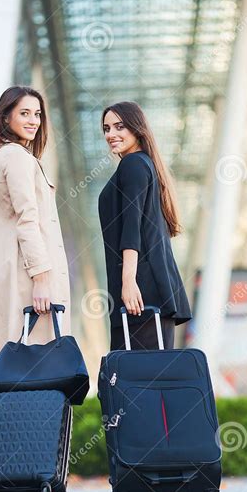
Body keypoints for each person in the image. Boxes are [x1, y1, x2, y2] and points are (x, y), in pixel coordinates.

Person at [0, 86, 70, 360]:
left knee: (12, 375)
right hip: (26, 283)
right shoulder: (16, 157)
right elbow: (28, 220)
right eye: (24, 113)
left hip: (7, 281)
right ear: (5, 118)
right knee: (36, 374)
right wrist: (41, 279)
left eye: (37, 114)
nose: (33, 121)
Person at [98, 101, 192, 350]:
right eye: (106, 128)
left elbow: (132, 227)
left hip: (139, 293)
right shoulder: (145, 165)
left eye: (119, 126)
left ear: (136, 128)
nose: (111, 134)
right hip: (150, 292)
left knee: (133, 379)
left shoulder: (132, 165)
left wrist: (128, 281)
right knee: (148, 378)